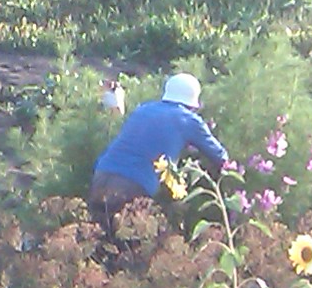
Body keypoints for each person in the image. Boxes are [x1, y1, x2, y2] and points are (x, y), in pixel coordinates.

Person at [90, 73, 225, 229]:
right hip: (134, 185)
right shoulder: (189, 120)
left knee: (96, 234)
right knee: (128, 242)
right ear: (193, 102)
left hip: (102, 174)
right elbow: (221, 157)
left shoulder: (144, 109)